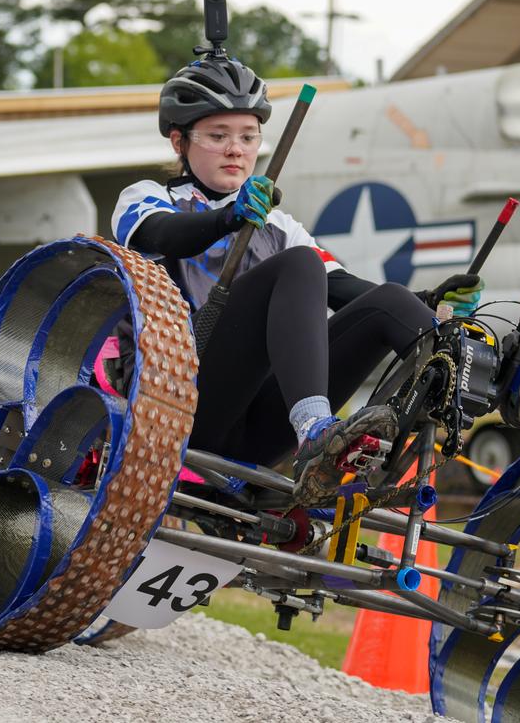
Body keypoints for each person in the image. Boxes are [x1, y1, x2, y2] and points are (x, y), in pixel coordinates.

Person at [110, 56, 483, 504]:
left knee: (392, 301)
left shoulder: (280, 226)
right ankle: (317, 433)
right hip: (178, 407)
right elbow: (164, 234)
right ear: (178, 141)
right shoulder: (147, 198)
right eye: (217, 136)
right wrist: (228, 218)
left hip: (259, 434)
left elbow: (347, 290)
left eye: (248, 137)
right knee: (300, 263)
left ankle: (496, 384)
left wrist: (431, 304)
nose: (236, 150)